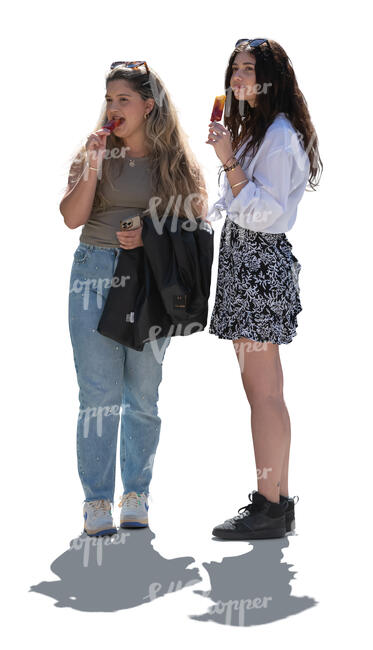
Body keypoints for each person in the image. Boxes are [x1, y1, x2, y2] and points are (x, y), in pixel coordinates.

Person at [60, 61, 208, 537]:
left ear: (148, 105)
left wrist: (149, 235)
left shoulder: (177, 163)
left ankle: (136, 493)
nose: (113, 108)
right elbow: (71, 217)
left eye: (123, 99)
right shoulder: (95, 152)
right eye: (109, 99)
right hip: (94, 272)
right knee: (98, 396)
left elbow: (198, 225)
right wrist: (92, 167)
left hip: (148, 281)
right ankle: (96, 501)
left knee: (142, 395)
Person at [205, 39, 323, 540]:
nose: (238, 78)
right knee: (265, 392)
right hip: (244, 260)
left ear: (270, 77)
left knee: (264, 393)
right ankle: (278, 502)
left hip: (258, 262)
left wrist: (228, 158)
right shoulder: (258, 129)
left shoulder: (276, 135)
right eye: (235, 69)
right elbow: (232, 203)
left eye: (249, 69)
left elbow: (266, 213)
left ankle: (269, 506)